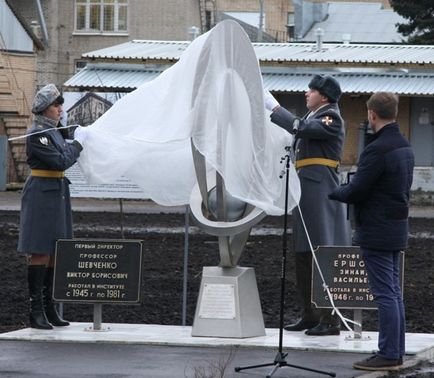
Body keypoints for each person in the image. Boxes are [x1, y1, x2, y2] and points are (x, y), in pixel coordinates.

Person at [329, 92, 414, 370]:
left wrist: (333, 192)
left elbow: (358, 189)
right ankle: (396, 350)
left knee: (385, 294)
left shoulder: (377, 149)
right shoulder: (404, 146)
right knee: (393, 293)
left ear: (371, 115)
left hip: (377, 230)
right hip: (396, 227)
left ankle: (388, 354)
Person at [264, 75, 351, 336]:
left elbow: (300, 128)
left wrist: (275, 108)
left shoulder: (330, 117)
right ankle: (311, 314)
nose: (306, 94)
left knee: (321, 251)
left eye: (311, 91)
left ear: (324, 96)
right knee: (303, 253)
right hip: (305, 189)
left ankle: (330, 318)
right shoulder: (315, 116)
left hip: (319, 188)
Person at [17, 84, 88, 329]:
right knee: (40, 250)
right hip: (41, 193)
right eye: (56, 105)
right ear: (45, 109)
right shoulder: (38, 134)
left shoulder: (55, 132)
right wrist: (78, 145)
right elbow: (61, 161)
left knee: (56, 250)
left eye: (60, 105)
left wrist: (77, 136)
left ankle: (49, 308)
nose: (60, 109)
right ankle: (35, 310)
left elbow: (64, 148)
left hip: (56, 193)